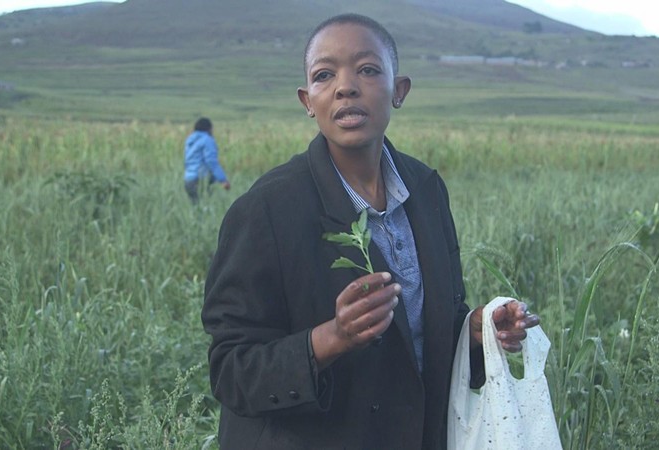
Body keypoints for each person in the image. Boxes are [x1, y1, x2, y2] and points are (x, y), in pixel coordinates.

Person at [201, 13, 540, 449]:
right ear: (308, 100)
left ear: (399, 90)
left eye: (368, 69)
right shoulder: (266, 209)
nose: (346, 86)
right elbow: (230, 369)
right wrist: (331, 338)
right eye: (325, 75)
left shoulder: (426, 190)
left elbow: (422, 333)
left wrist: (475, 332)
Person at [183, 117, 230, 204]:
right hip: (200, 180)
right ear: (208, 128)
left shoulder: (189, 140)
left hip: (188, 180)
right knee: (205, 208)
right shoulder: (207, 140)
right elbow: (211, 162)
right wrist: (223, 180)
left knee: (195, 209)